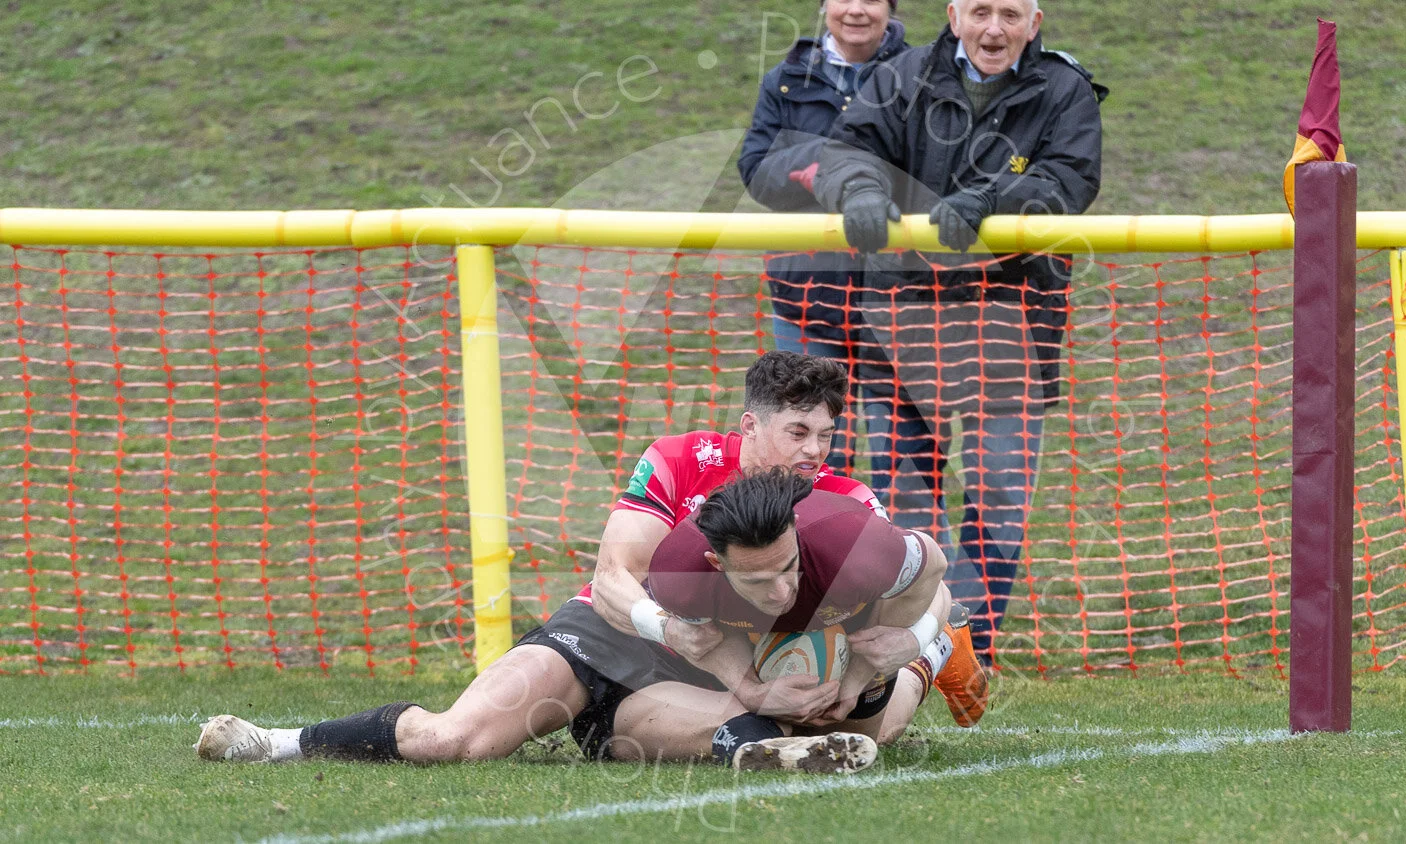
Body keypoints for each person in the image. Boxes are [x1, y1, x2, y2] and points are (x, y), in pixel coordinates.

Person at [194, 352, 986, 773]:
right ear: (751, 425)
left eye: (824, 436)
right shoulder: (680, 458)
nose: (813, 454)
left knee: (851, 718)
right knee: (455, 742)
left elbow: (921, 587)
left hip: (711, 672)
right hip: (613, 634)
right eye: (796, 434)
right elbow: (615, 578)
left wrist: (905, 649)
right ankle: (277, 741)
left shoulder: (846, 499)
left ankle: (913, 677)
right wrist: (678, 631)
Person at [810, 0, 1107, 658]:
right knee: (902, 490)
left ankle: (969, 643)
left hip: (1014, 317)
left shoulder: (1065, 89)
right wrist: (860, 190)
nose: (993, 29)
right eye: (979, 11)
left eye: (1009, 14)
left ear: (1034, 21)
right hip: (900, 314)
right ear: (953, 16)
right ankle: (925, 641)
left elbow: (1071, 178)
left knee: (1000, 491)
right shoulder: (901, 76)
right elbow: (847, 150)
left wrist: (995, 198)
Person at [608, 468, 953, 769]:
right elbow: (709, 639)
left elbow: (935, 568)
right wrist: (751, 691)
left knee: (860, 737)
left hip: (856, 624)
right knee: (804, 737)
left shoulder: (856, 547)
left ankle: (937, 651)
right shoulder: (681, 575)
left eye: (788, 567)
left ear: (795, 530)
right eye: (757, 580)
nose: (780, 593)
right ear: (717, 565)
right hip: (749, 635)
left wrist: (908, 644)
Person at [737, 0, 908, 475]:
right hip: (806, 297)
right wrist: (821, 165)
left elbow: (920, 174)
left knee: (908, 458)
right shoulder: (785, 78)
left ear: (891, 8)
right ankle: (812, 551)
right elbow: (757, 169)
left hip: (898, 297)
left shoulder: (920, 75)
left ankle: (904, 551)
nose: (856, 10)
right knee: (810, 456)